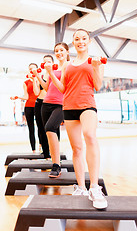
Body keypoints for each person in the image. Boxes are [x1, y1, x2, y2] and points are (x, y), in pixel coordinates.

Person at [45, 29, 107, 209]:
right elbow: (63, 88)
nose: (80, 41)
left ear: (89, 41)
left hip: (87, 104)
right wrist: (50, 72)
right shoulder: (67, 65)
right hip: (69, 107)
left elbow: (97, 85)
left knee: (90, 136)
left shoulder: (95, 61)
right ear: (74, 42)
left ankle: (94, 187)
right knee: (77, 148)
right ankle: (81, 187)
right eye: (77, 39)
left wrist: (95, 67)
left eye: (84, 38)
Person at [32, 43, 69, 178]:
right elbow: (47, 87)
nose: (59, 52)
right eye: (56, 51)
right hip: (46, 103)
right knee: (48, 132)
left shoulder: (67, 66)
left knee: (50, 127)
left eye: (61, 50)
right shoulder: (52, 68)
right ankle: (54, 161)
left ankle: (56, 165)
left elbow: (63, 87)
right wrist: (38, 75)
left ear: (67, 52)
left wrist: (51, 73)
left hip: (60, 104)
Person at [10, 63, 39, 153]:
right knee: (31, 129)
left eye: (33, 68)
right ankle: (33, 150)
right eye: (30, 68)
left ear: (37, 69)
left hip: (38, 106)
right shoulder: (25, 82)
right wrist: (18, 97)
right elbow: (26, 97)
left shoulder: (40, 80)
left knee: (40, 128)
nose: (31, 70)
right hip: (29, 107)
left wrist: (35, 79)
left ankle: (42, 147)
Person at [32, 66, 50, 159]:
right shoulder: (40, 76)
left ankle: (52, 151)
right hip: (39, 102)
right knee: (41, 129)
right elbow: (36, 93)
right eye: (44, 61)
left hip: (51, 103)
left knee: (51, 128)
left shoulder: (54, 74)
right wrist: (35, 80)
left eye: (49, 61)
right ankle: (46, 153)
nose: (46, 63)